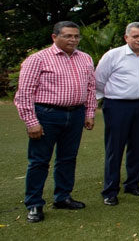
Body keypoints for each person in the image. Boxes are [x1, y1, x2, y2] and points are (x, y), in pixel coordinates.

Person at [14, 21, 97, 223]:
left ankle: (63, 197)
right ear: (54, 37)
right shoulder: (38, 59)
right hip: (47, 115)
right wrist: (31, 121)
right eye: (68, 36)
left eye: (76, 36)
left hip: (75, 114)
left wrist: (90, 112)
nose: (73, 40)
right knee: (40, 161)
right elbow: (24, 93)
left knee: (68, 159)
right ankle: (34, 203)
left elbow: (90, 88)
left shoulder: (85, 58)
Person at [95, 22, 139, 206]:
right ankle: (110, 190)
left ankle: (133, 184)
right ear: (126, 37)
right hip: (117, 106)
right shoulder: (113, 55)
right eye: (135, 36)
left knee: (138, 147)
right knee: (115, 148)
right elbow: (99, 80)